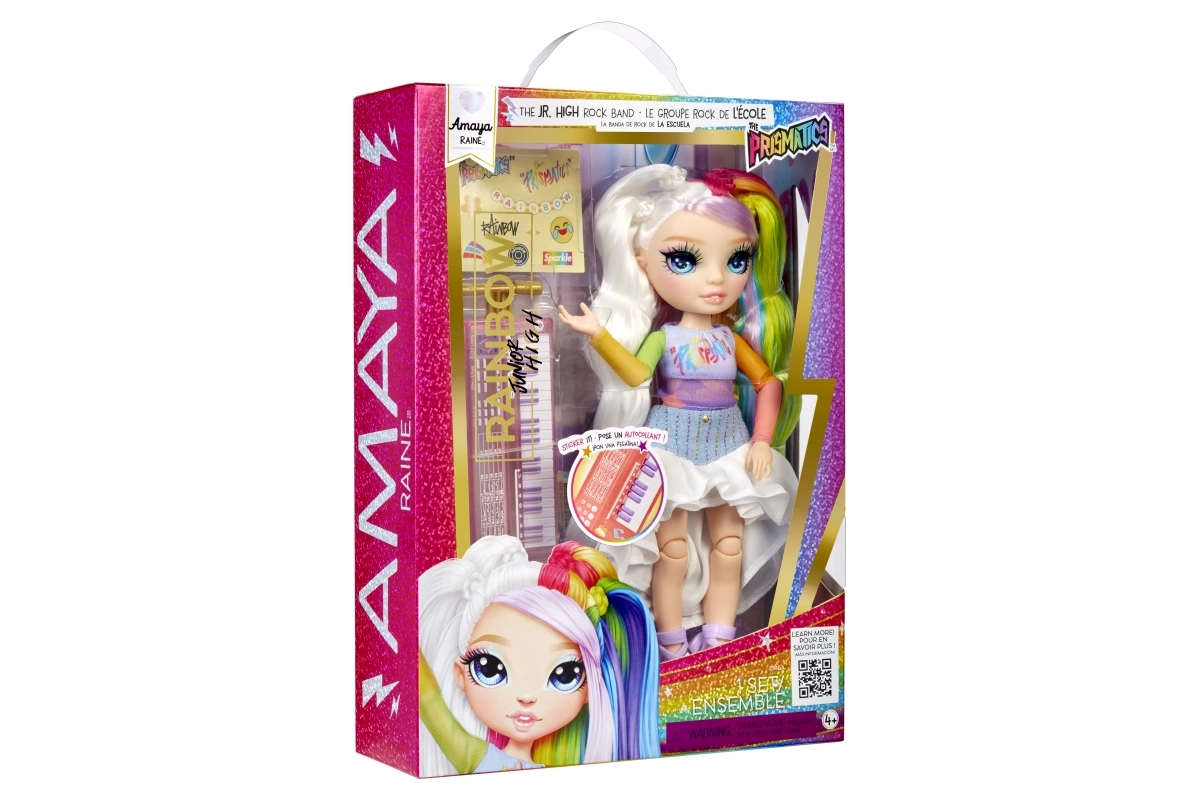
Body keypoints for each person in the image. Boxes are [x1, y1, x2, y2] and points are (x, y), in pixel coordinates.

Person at [558, 165, 799, 658]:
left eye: (737, 259)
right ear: (642, 259)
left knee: (729, 549)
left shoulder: (729, 338)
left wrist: (761, 440)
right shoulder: (663, 338)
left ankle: (720, 636)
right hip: (670, 449)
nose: (717, 278)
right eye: (685, 259)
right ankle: (669, 641)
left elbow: (768, 383)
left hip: (730, 446)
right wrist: (600, 334)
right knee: (671, 552)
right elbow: (635, 375)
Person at [417, 537, 659, 775]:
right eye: (490, 668)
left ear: (589, 688)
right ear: (460, 674)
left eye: (565, 675)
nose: (526, 697)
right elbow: (431, 706)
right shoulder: (477, 757)